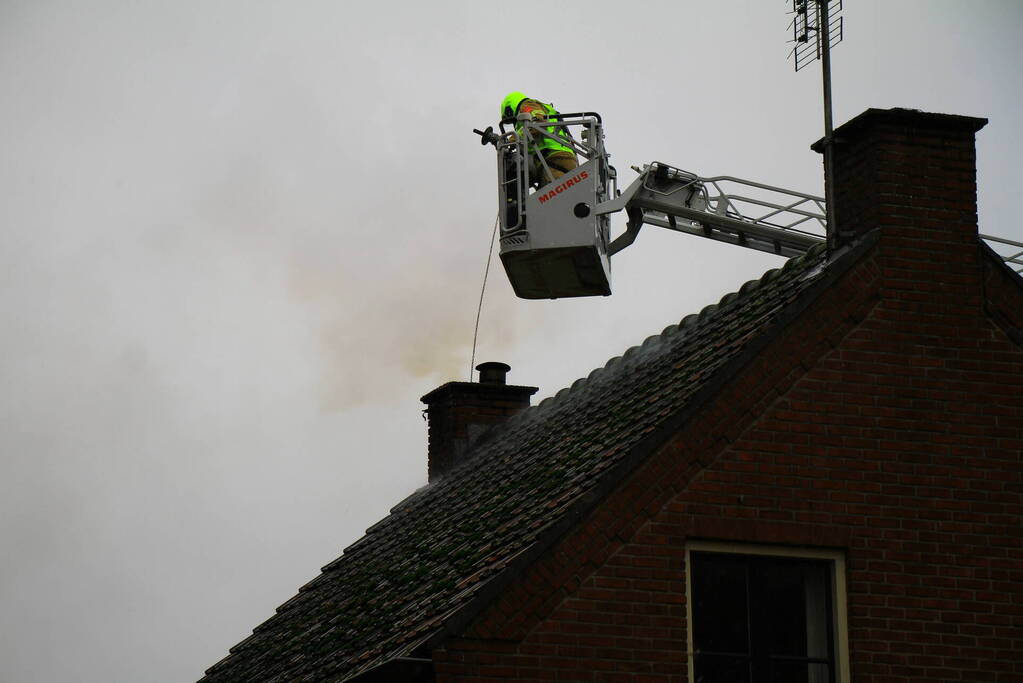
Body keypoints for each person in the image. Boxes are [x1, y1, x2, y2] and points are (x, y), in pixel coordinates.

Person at [501, 92, 578, 182]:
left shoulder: (526, 105)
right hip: (560, 157)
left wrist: (514, 138)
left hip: (554, 157)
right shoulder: (539, 107)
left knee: (555, 194)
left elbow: (538, 123)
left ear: (509, 110)